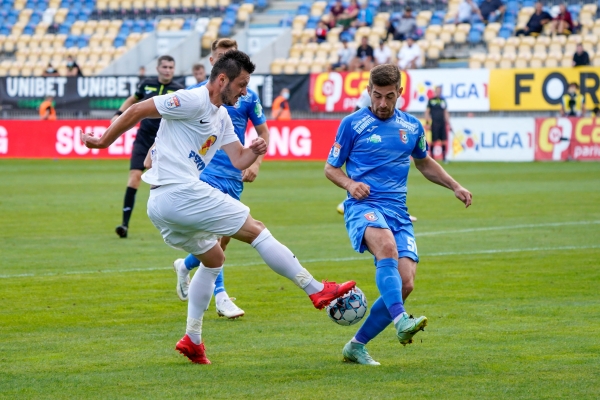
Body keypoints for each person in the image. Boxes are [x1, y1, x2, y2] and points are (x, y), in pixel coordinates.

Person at [81, 50, 357, 364]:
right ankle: (316, 289)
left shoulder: (222, 116)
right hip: (178, 191)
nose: (244, 92)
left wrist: (254, 151)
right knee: (256, 230)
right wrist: (103, 141)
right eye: (241, 85)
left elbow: (238, 159)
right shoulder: (192, 99)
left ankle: (192, 339)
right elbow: (138, 109)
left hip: (162, 205)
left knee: (214, 259)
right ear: (222, 79)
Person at [324, 64, 472, 365]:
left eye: (389, 96)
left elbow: (424, 162)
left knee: (405, 283)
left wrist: (454, 185)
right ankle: (401, 320)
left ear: (399, 93)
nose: (382, 103)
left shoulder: (412, 126)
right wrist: (350, 184)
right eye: (377, 96)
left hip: (398, 212)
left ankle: (356, 345)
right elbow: (330, 168)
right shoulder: (352, 124)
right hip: (364, 206)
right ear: (368, 91)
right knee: (387, 248)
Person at [172, 38, 270, 319]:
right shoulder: (196, 94)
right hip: (204, 172)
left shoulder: (247, 96)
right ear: (213, 61)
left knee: (222, 240)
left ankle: (185, 265)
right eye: (222, 55)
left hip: (234, 173)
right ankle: (221, 296)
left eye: (232, 55)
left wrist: (256, 163)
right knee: (213, 236)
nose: (228, 59)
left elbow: (263, 132)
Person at [112, 55, 184, 239]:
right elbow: (132, 99)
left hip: (165, 141)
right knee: (134, 178)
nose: (168, 70)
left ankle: (173, 225)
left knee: (161, 184)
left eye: (171, 67)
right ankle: (124, 225)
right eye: (165, 67)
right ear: (158, 68)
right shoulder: (147, 84)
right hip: (144, 138)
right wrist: (119, 113)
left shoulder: (179, 90)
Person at [424, 85, 450, 161]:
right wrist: (427, 123)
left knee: (443, 140)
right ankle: (432, 157)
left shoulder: (443, 100)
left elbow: (445, 112)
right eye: (437, 91)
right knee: (433, 140)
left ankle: (444, 158)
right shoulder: (431, 100)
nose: (439, 92)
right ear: (435, 91)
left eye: (440, 91)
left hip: (442, 123)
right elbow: (427, 112)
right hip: (434, 123)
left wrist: (448, 123)